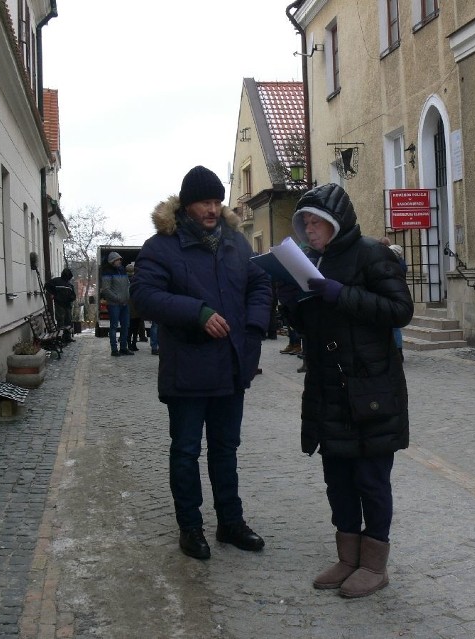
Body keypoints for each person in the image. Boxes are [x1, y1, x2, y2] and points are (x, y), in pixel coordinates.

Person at [277, 183, 413, 598]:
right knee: (337, 478)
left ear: (336, 222)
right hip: (327, 387)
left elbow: (399, 310)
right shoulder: (312, 261)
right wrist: (292, 301)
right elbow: (311, 327)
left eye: (316, 222)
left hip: (371, 386)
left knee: (371, 479)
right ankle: (347, 556)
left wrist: (340, 293)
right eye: (305, 223)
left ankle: (374, 565)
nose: (309, 229)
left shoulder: (373, 253)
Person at [131, 165, 272, 560]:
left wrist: (255, 327)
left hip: (230, 367)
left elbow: (260, 283)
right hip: (189, 368)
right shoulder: (162, 246)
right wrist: (197, 313)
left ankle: (230, 522)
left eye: (216, 202)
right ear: (186, 205)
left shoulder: (235, 241)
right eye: (203, 203)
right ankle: (190, 527)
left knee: (226, 449)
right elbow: (143, 296)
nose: (212, 209)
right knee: (186, 451)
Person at [100, 251, 133, 356]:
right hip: (114, 304)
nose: (120, 261)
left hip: (125, 303)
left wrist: (127, 296)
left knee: (125, 326)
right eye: (118, 259)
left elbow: (127, 285)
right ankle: (114, 349)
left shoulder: (122, 271)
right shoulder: (107, 272)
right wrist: (117, 298)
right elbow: (106, 289)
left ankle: (123, 347)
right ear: (112, 261)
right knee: (114, 326)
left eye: (120, 259)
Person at [44, 267, 76, 343]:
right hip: (61, 305)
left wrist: (54, 294)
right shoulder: (59, 282)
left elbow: (73, 296)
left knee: (66, 322)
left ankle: (66, 338)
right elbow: (47, 285)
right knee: (62, 322)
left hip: (65, 305)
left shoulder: (68, 284)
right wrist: (53, 294)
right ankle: (61, 338)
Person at [388, 245, 408, 361]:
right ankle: (398, 351)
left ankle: (398, 352)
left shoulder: (395, 265)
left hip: (394, 295)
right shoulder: (402, 264)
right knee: (395, 327)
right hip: (398, 294)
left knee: (394, 327)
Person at [126, 262, 146, 351]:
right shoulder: (137, 280)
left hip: (129, 306)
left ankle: (129, 344)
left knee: (130, 327)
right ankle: (133, 344)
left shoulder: (125, 280)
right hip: (136, 306)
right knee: (135, 328)